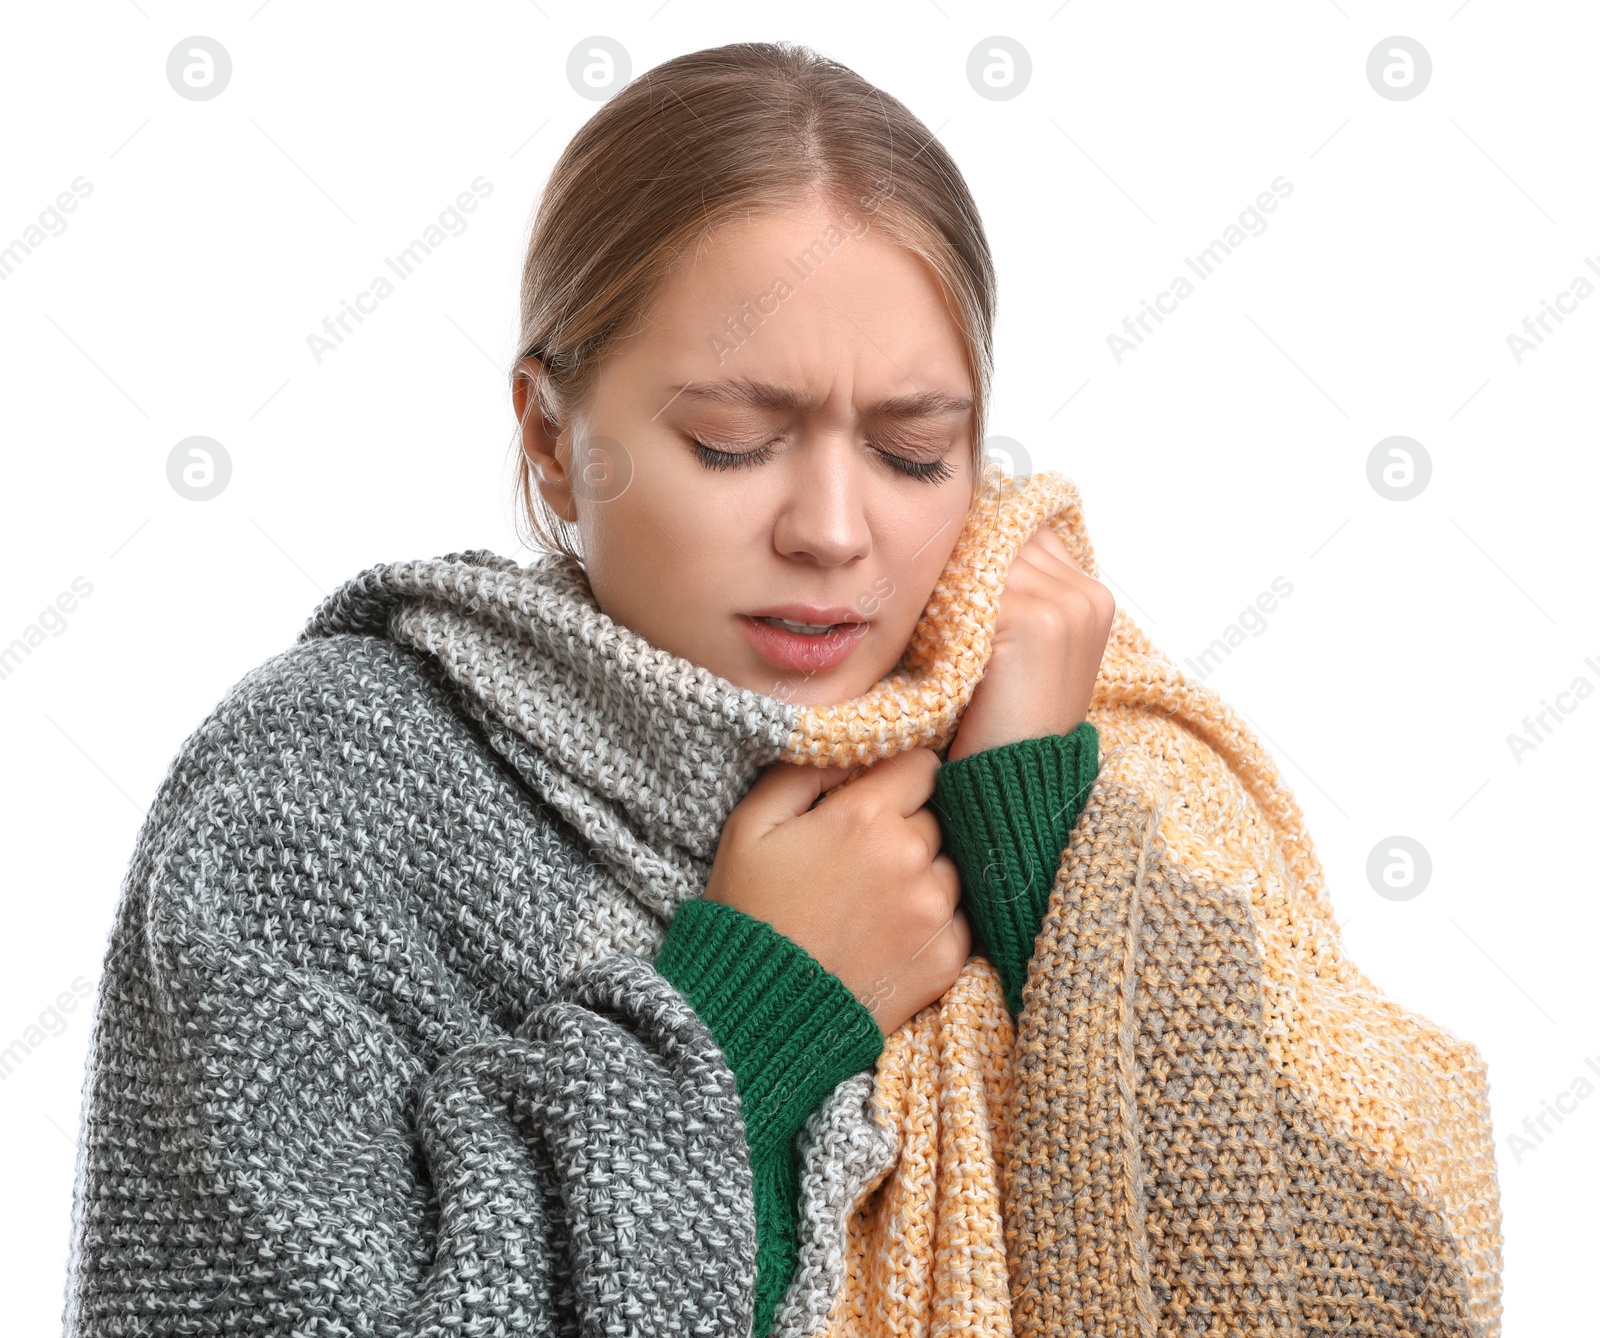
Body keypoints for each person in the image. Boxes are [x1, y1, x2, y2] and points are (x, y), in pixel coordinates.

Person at [63, 40, 1114, 1337]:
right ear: (554, 442)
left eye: (912, 453)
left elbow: (1312, 1258)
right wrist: (738, 1024)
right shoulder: (319, 796)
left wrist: (1038, 853)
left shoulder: (1069, 728)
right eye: (733, 443)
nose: (835, 530)